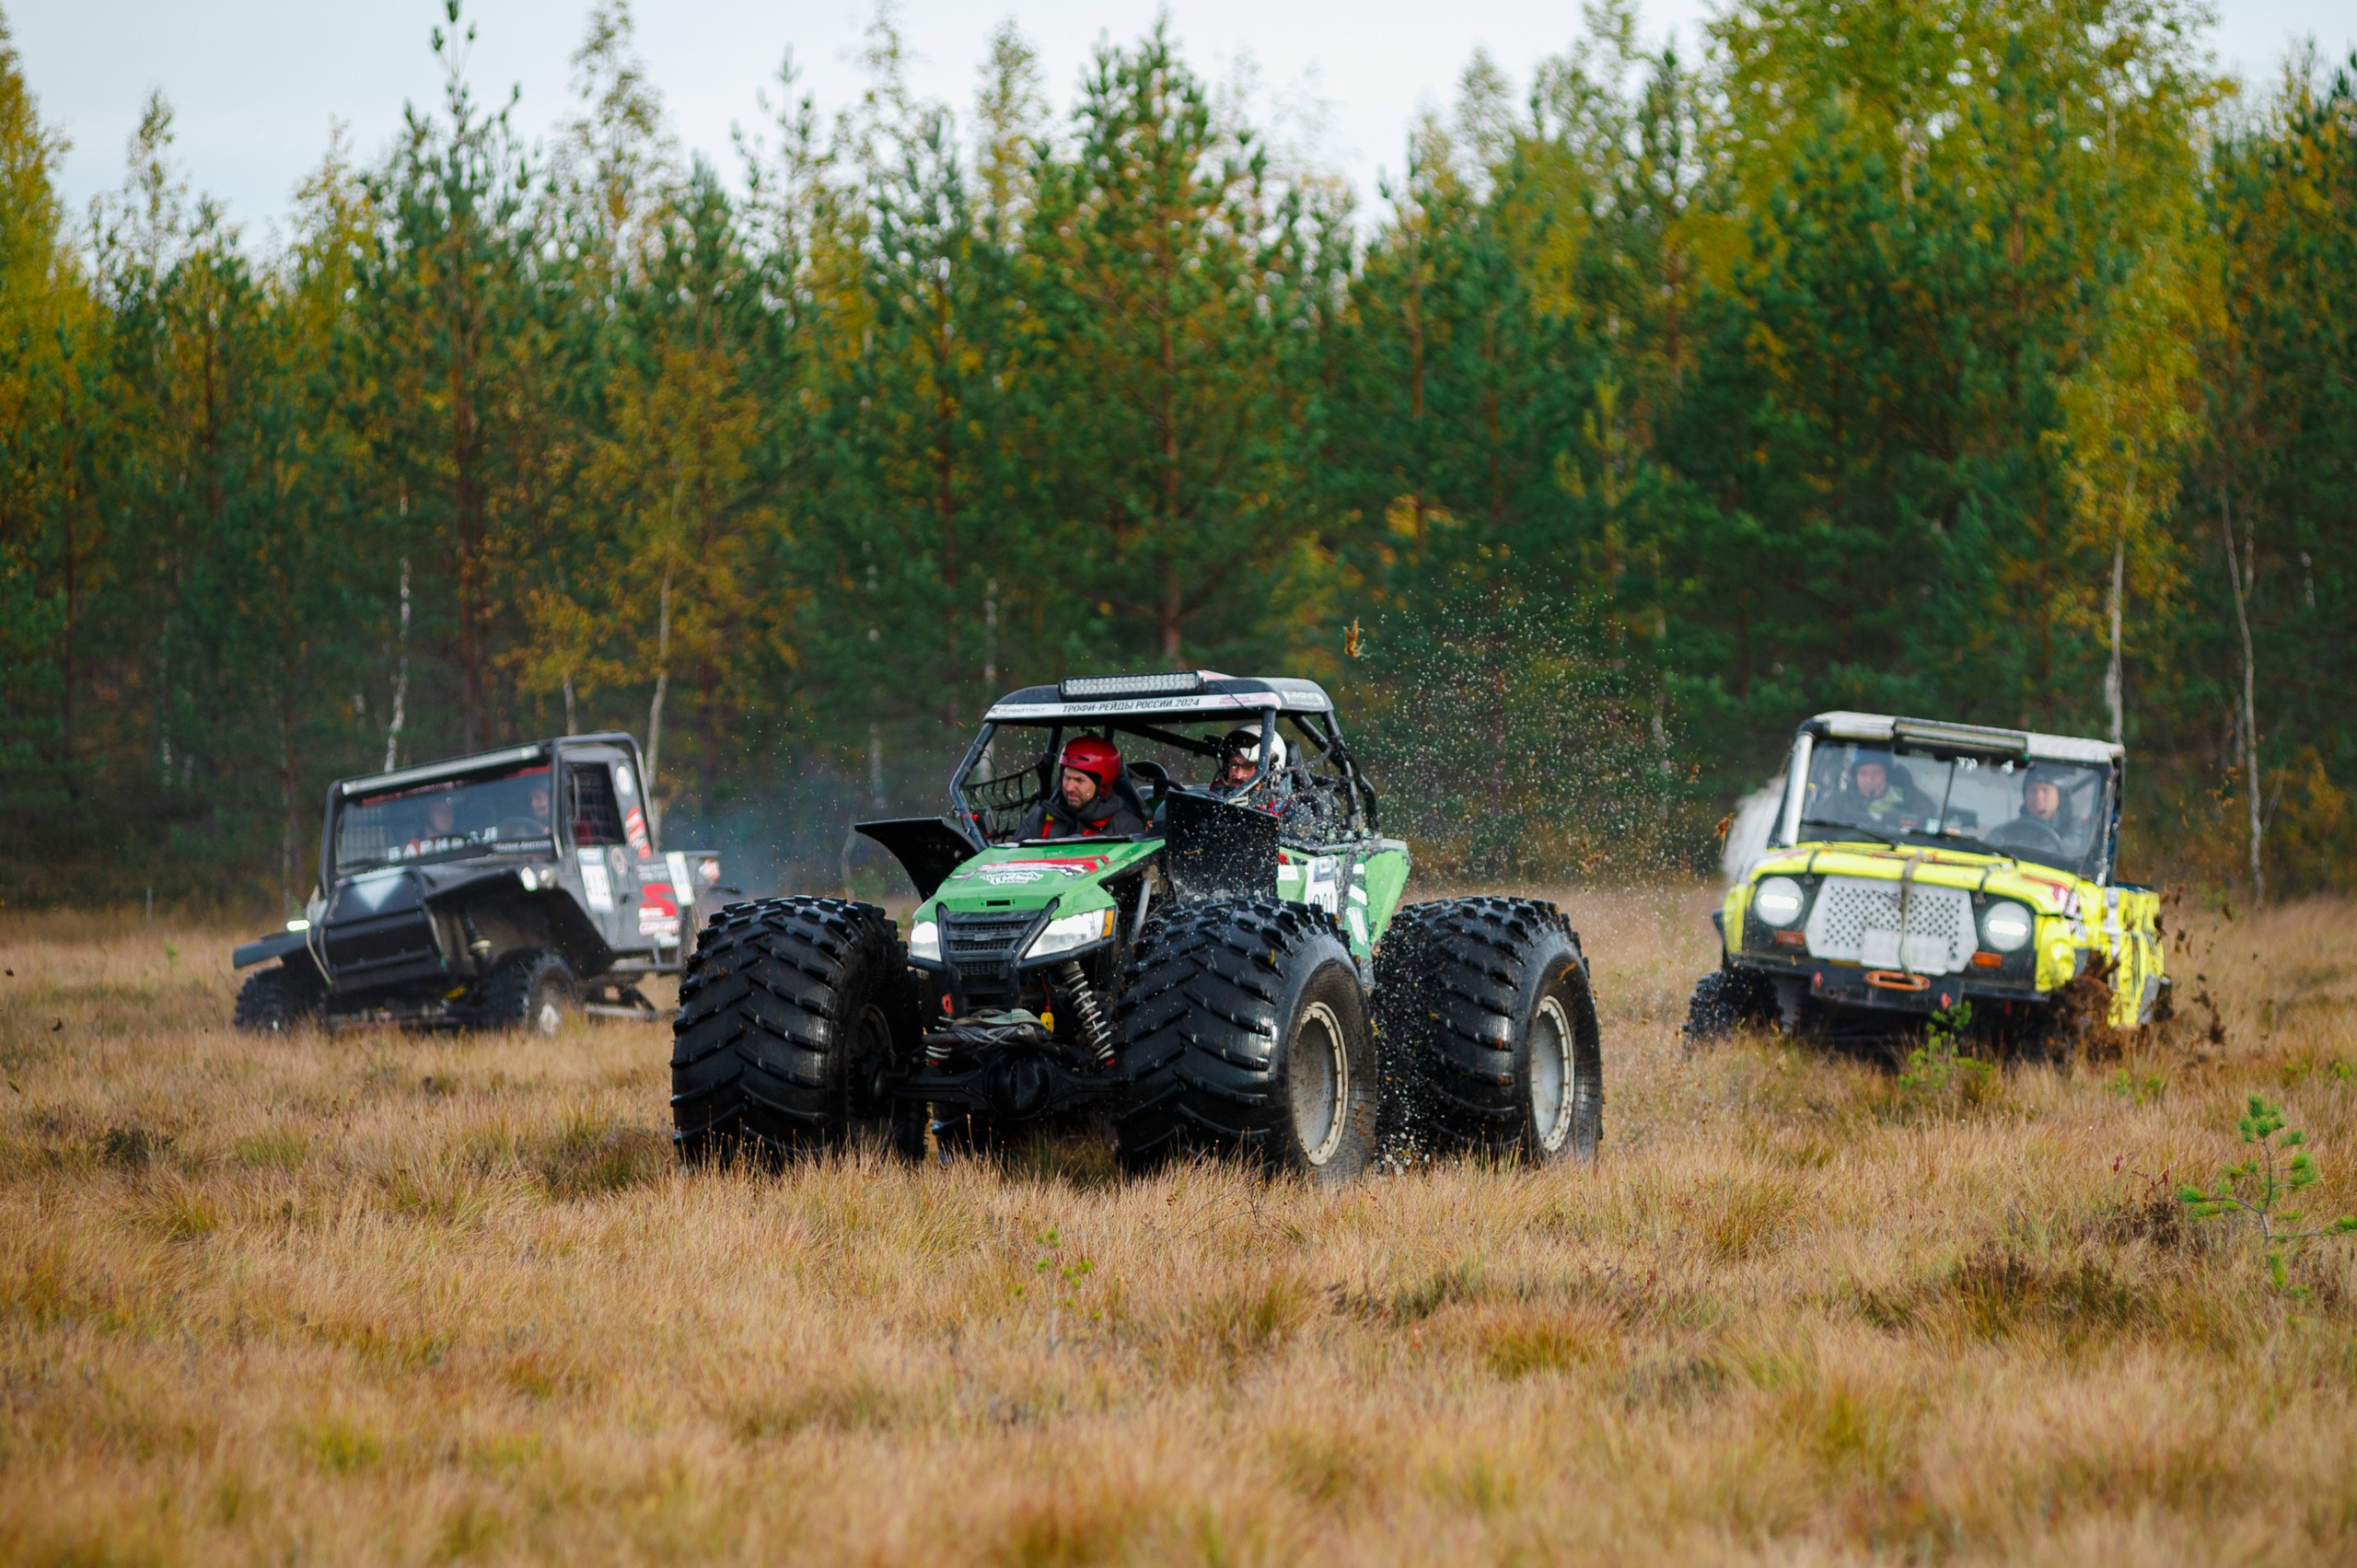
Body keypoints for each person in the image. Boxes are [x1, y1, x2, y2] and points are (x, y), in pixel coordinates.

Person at [1021, 736, 1147, 840]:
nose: (1069, 787)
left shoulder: (1124, 826)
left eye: (1079, 780)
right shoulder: (1044, 818)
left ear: (1103, 785)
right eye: (1067, 778)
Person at [1840, 751, 1932, 830]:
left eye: (1876, 773)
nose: (1870, 780)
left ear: (1888, 776)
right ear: (1855, 778)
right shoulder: (1839, 802)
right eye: (1863, 773)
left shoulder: (1916, 802)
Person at [1210, 725, 1290, 812]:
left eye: (1248, 767)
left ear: (1271, 774)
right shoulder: (1209, 798)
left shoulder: (1289, 813)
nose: (1238, 775)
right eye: (1234, 765)